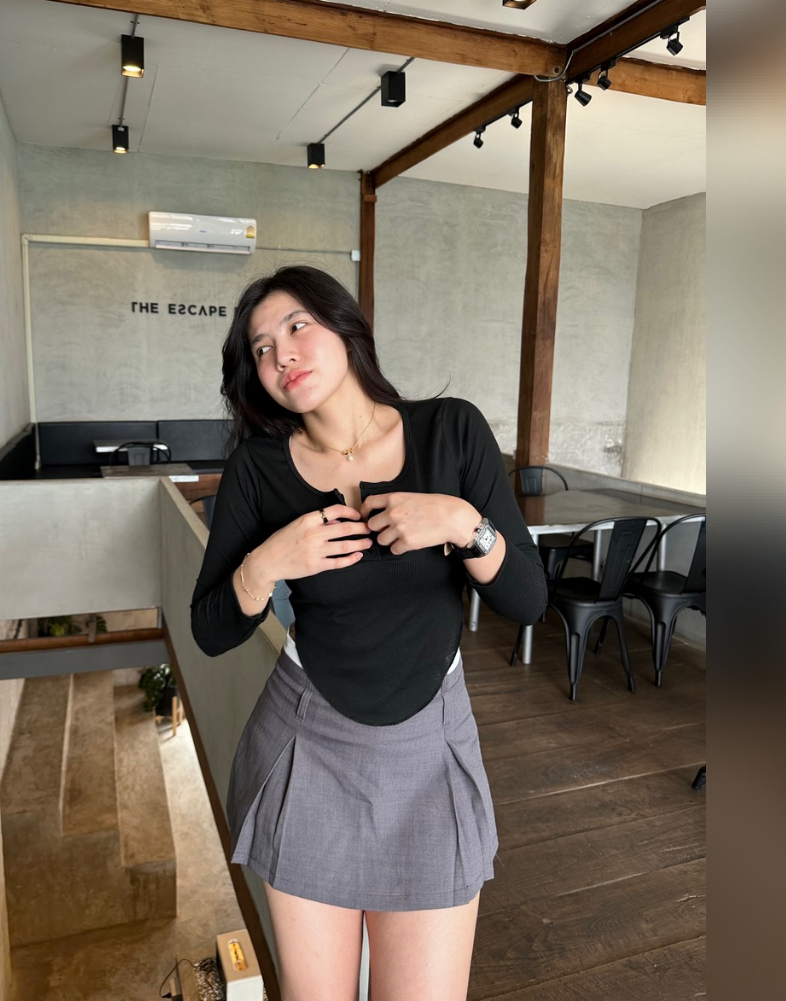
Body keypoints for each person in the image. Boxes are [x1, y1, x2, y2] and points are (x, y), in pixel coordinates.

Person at [190, 266, 547, 1001]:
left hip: (429, 748)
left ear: (345, 326)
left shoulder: (451, 430)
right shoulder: (258, 469)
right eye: (261, 348)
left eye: (297, 327)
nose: (282, 354)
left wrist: (462, 524)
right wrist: (268, 563)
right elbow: (211, 629)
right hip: (308, 742)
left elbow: (528, 600)